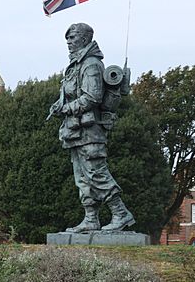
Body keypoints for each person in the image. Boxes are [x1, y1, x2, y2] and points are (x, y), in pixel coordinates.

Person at [48, 23, 135, 232]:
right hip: (75, 132)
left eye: (73, 37)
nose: (68, 41)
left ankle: (121, 214)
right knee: (82, 178)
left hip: (90, 131)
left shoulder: (91, 64)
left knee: (96, 173)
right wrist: (59, 105)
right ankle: (90, 218)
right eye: (67, 38)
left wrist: (67, 109)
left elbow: (92, 97)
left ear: (85, 39)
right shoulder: (76, 64)